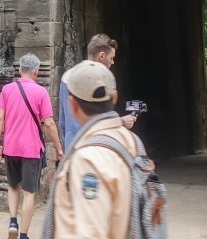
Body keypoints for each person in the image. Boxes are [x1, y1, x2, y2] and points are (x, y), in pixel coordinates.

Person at [46, 59, 142, 239]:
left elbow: (90, 232)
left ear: (72, 105)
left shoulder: (88, 157)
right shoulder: (132, 141)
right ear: (115, 98)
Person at [0, 53, 64, 239]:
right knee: (29, 193)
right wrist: (58, 148)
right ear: (36, 72)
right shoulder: (41, 92)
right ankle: (24, 235)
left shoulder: (7, 89)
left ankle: (12, 222)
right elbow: (48, 123)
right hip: (31, 149)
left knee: (13, 186)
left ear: (19, 70)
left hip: (10, 147)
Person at [57, 34, 137, 152]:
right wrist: (121, 122)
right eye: (111, 58)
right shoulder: (101, 80)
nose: (113, 62)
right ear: (102, 56)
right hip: (94, 146)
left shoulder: (67, 77)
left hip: (72, 146)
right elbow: (95, 119)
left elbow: (63, 121)